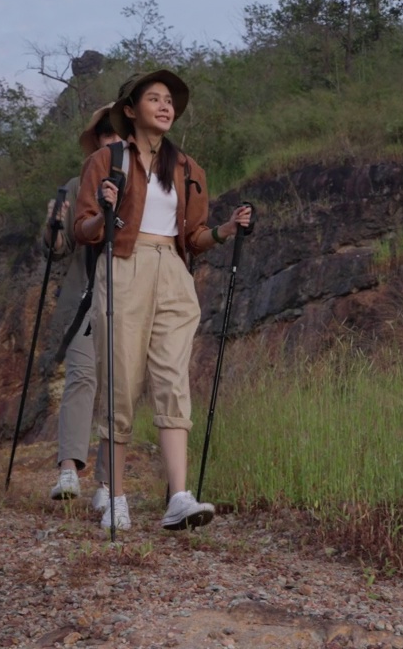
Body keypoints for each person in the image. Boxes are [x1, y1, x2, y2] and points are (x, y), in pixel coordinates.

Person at [73, 69, 252, 531]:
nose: (165, 105)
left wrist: (226, 230)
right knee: (121, 380)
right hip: (123, 264)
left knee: (173, 379)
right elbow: (85, 228)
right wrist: (104, 212)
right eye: (154, 98)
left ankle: (179, 496)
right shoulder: (106, 160)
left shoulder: (189, 169)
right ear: (131, 110)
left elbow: (192, 237)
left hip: (173, 270)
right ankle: (114, 496)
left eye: (170, 100)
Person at [46, 104, 121, 514]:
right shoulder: (78, 186)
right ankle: (69, 469)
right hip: (84, 299)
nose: (113, 142)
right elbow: (58, 252)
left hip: (129, 298)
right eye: (106, 136)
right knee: (82, 376)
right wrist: (54, 226)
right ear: (96, 143)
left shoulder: (144, 186)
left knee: (117, 389)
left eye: (119, 135)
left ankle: (108, 482)